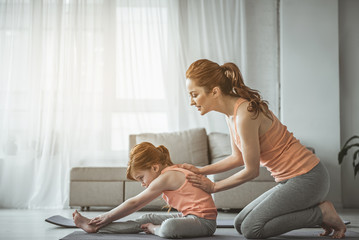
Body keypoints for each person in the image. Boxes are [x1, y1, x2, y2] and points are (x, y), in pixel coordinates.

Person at [181, 59, 346, 239]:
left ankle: (321, 213)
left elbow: (251, 171)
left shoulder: (245, 114)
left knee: (252, 230)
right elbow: (238, 157)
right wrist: (201, 170)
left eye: (194, 94)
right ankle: (315, 211)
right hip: (290, 181)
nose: (191, 102)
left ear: (214, 91)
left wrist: (214, 187)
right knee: (240, 224)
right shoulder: (231, 115)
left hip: (308, 178)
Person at [72, 141, 217, 239]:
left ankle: (155, 229)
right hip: (188, 218)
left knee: (168, 227)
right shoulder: (168, 173)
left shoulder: (166, 177)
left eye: (141, 177)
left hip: (204, 223)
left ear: (154, 167)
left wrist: (107, 216)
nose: (142, 183)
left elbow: (135, 203)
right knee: (147, 218)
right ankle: (96, 227)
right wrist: (103, 221)